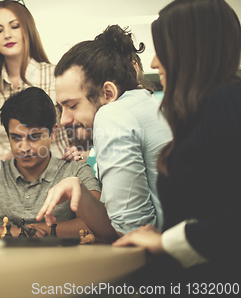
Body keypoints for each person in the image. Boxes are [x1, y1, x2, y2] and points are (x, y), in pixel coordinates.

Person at [113, 0, 241, 282]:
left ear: (190, 50)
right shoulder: (206, 110)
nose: (155, 63)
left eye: (163, 49)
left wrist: (165, 242)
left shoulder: (227, 99)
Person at [36, 25, 172, 241]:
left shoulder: (113, 115)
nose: (63, 120)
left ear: (108, 93)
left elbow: (131, 232)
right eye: (61, 108)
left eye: (72, 105)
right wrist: (78, 191)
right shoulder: (145, 103)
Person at [0, 87, 100, 237]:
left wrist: (40, 231)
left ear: (52, 133)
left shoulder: (77, 172)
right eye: (16, 138)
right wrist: (16, 233)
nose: (23, 147)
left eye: (34, 137)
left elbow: (100, 225)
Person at [0, 0, 69, 162]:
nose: (7, 35)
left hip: (57, 175)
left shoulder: (56, 77)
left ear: (27, 29)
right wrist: (3, 158)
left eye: (15, 26)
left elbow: (81, 130)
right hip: (12, 180)